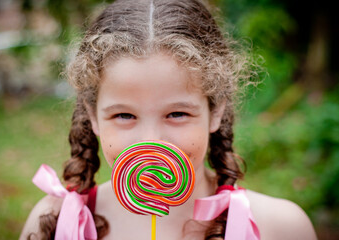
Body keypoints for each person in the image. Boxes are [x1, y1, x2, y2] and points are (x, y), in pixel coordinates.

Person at [20, 0, 318, 239]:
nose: (151, 140)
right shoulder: (54, 221)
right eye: (124, 115)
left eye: (177, 113)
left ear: (216, 111)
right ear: (93, 117)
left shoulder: (282, 227)